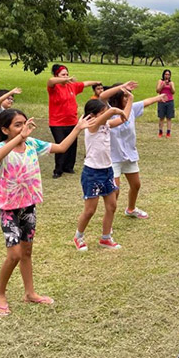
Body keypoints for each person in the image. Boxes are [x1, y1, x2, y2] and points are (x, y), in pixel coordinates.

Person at [0, 109, 93, 316]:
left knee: (27, 252)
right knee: (14, 255)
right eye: (17, 125)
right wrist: (20, 138)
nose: (23, 128)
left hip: (29, 207)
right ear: (5, 129)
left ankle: (30, 293)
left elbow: (61, 147)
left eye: (24, 123)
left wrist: (77, 128)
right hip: (9, 210)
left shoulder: (31, 143)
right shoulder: (1, 146)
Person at [73, 99, 129, 252]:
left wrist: (129, 101)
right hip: (92, 172)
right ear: (93, 115)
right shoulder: (92, 126)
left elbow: (121, 118)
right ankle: (78, 236)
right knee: (90, 210)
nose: (106, 116)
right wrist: (115, 110)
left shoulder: (105, 125)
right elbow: (112, 114)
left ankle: (105, 238)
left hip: (107, 170)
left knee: (112, 206)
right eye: (103, 113)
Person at [105, 83, 167, 219]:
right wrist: (121, 87)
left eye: (129, 96)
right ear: (117, 97)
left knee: (136, 185)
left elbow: (145, 102)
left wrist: (158, 98)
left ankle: (131, 209)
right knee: (115, 190)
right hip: (113, 156)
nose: (128, 99)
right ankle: (109, 218)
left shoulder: (131, 108)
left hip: (129, 154)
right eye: (125, 96)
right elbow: (103, 97)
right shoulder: (108, 112)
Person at [47, 64, 101, 178]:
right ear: (57, 75)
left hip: (72, 121)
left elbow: (84, 83)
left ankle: (68, 167)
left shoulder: (71, 86)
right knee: (61, 144)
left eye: (67, 74)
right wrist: (65, 79)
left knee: (72, 145)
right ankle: (58, 170)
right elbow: (50, 81)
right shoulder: (54, 88)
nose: (66, 76)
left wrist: (96, 82)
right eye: (63, 74)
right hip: (57, 123)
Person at [156, 69, 175, 137]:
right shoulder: (160, 81)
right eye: (166, 74)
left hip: (170, 101)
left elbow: (173, 92)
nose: (167, 76)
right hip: (161, 101)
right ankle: (160, 131)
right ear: (163, 75)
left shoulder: (171, 82)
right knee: (161, 117)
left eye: (168, 75)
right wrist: (162, 85)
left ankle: (168, 132)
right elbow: (157, 90)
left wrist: (171, 86)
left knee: (169, 118)